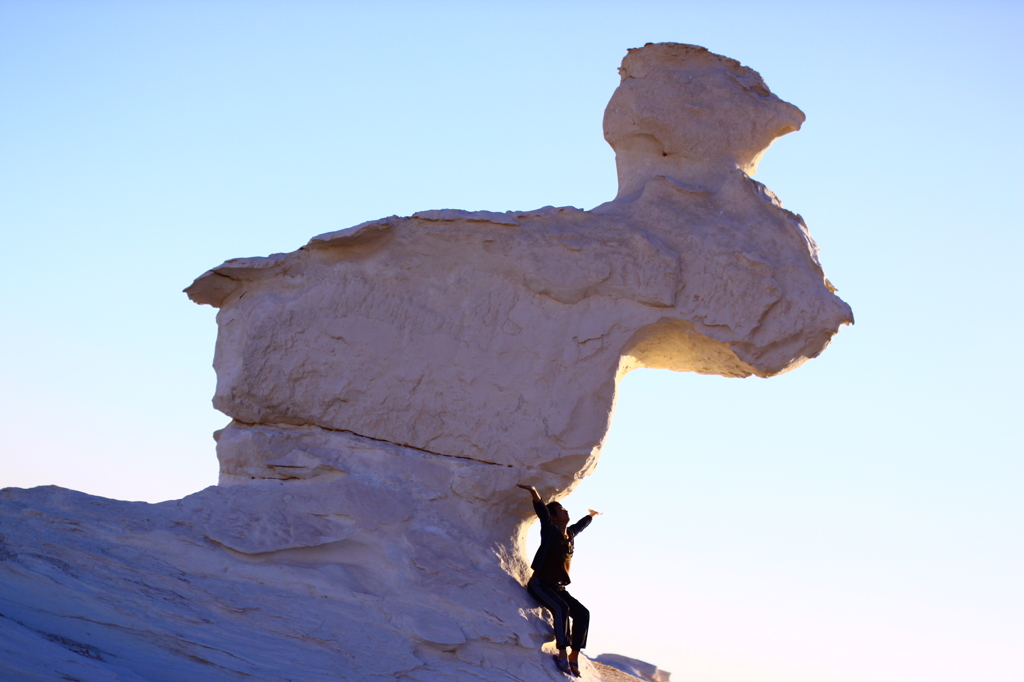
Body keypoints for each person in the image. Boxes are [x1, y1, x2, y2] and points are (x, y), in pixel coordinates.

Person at [516, 483, 601, 677]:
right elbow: (542, 513)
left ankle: (574, 656)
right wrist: (534, 491)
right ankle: (561, 651)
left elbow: (580, 526)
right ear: (554, 516)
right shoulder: (550, 530)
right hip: (540, 584)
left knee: (582, 613)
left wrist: (591, 516)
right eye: (561, 509)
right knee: (561, 608)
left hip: (558, 588)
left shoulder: (569, 535)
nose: (565, 510)